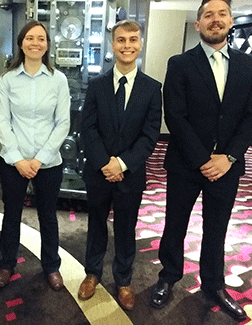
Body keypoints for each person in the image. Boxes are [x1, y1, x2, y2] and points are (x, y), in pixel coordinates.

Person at [151, 0, 252, 321]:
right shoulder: (180, 63)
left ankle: (214, 284)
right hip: (187, 163)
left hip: (227, 166)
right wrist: (203, 158)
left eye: (222, 13)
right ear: (198, 23)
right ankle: (168, 277)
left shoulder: (247, 65)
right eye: (209, 14)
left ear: (231, 21)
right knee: (175, 224)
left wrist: (227, 157)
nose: (216, 19)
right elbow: (175, 115)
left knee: (217, 227)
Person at [77, 20, 162, 310]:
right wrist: (105, 163)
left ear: (140, 44)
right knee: (96, 224)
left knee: (126, 228)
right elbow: (87, 128)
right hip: (99, 171)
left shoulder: (152, 88)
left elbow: (150, 135)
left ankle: (123, 279)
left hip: (131, 173)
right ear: (112, 45)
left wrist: (122, 164)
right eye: (121, 40)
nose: (127, 45)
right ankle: (92, 273)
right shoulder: (97, 85)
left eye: (133, 40)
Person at [0, 20, 70, 291]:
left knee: (48, 216)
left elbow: (63, 123)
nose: (35, 43)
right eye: (30, 38)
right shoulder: (8, 78)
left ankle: (51, 266)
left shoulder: (58, 79)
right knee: (11, 214)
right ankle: (7, 263)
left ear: (47, 45)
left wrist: (39, 159)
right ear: (21, 43)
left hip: (47, 163)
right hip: (13, 162)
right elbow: (3, 120)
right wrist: (18, 159)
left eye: (41, 38)